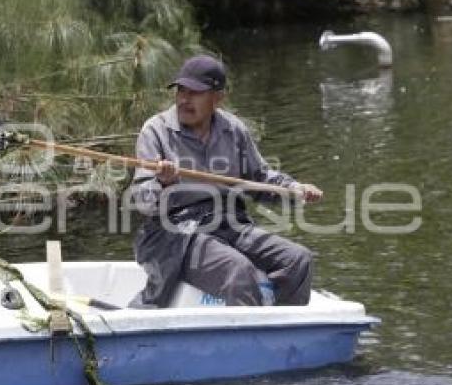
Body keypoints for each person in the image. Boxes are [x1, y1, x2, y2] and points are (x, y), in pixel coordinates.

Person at [131, 55, 323, 308]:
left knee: (298, 260)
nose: (183, 100)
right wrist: (163, 183)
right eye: (180, 91)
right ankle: (247, 342)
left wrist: (294, 189)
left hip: (229, 224)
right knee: (238, 272)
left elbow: (260, 179)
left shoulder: (233, 130)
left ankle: (281, 336)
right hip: (177, 233)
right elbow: (143, 201)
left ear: (217, 97)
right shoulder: (155, 131)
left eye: (194, 93)